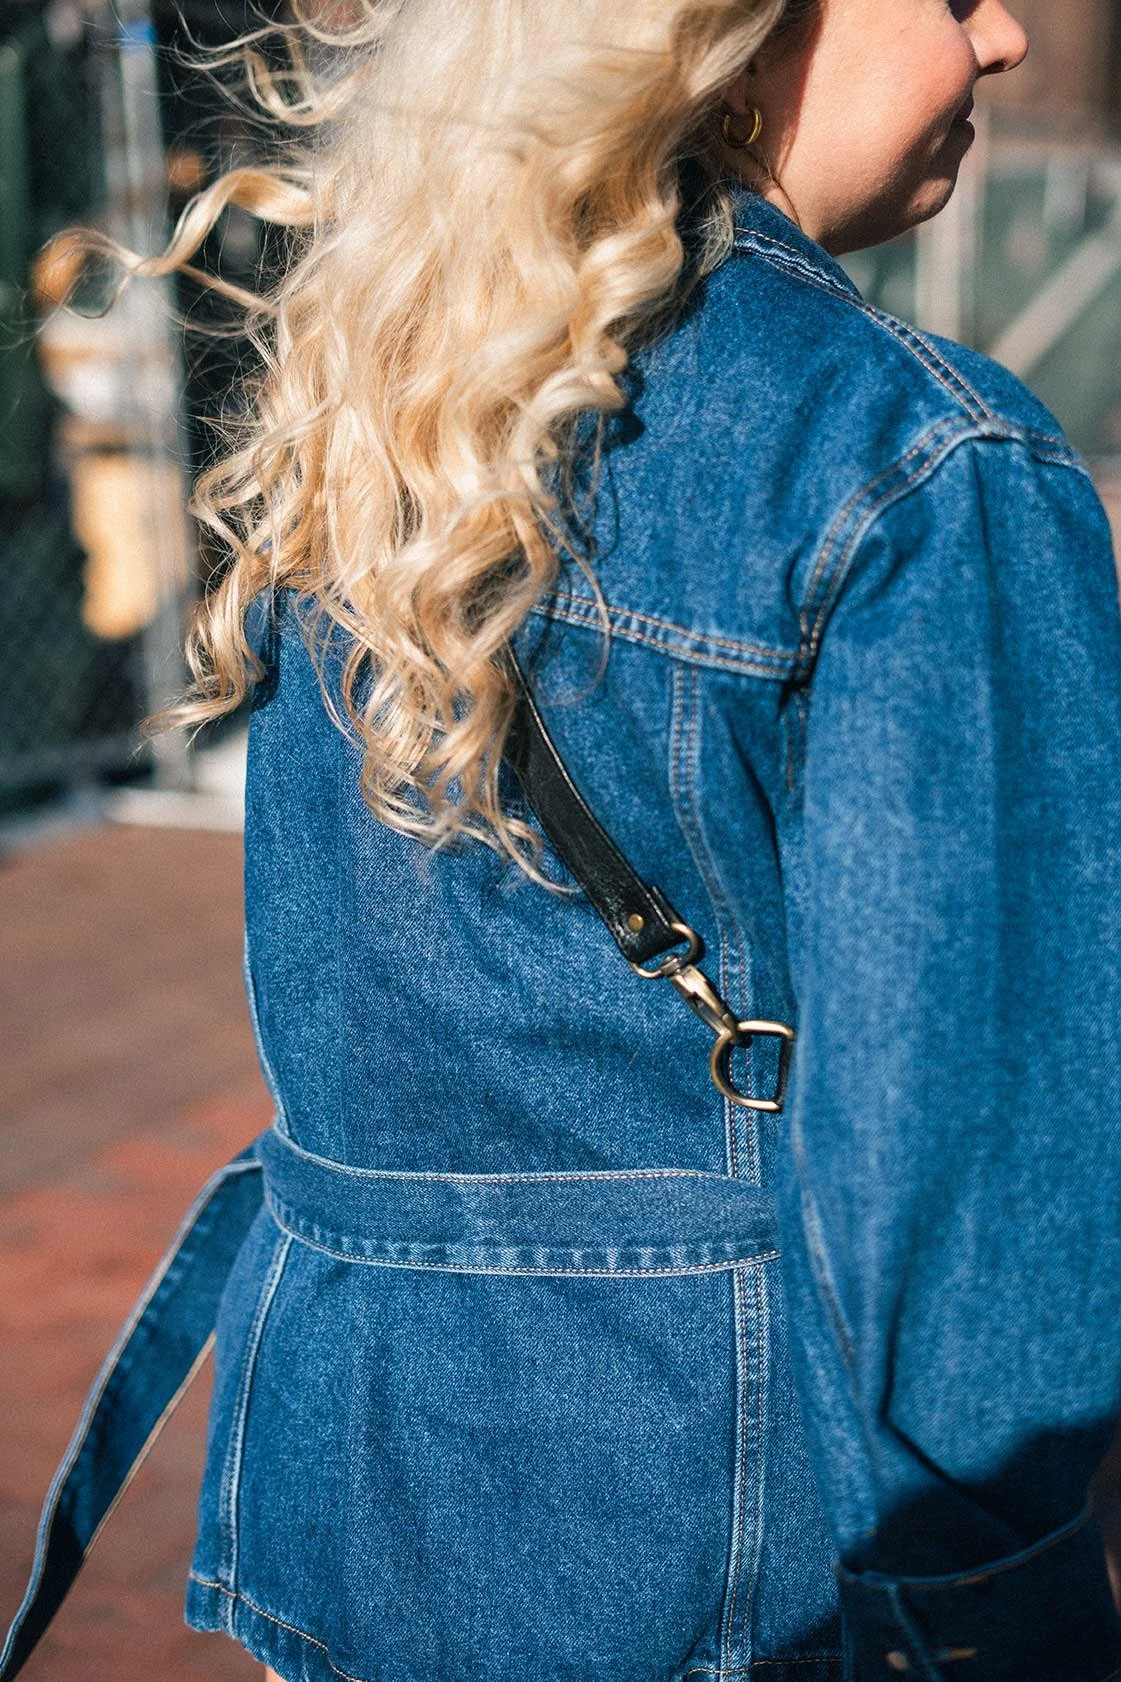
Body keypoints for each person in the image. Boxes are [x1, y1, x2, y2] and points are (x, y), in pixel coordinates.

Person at [5, 0, 1121, 1679]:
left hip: (364, 1494)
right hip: (728, 1554)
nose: (1010, 38)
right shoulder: (915, 464)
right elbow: (975, 1238)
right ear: (734, 30)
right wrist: (999, 1630)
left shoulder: (389, 395)